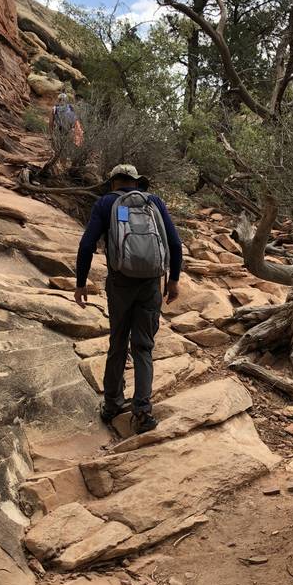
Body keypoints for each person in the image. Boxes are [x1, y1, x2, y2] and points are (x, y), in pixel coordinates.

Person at [75, 164, 182, 434]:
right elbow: (175, 244)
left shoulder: (106, 203)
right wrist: (173, 280)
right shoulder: (153, 202)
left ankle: (112, 404)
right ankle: (143, 412)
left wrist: (80, 283)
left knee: (118, 342)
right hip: (150, 283)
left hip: (120, 283)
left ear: (113, 182)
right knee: (143, 347)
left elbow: (87, 245)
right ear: (136, 181)